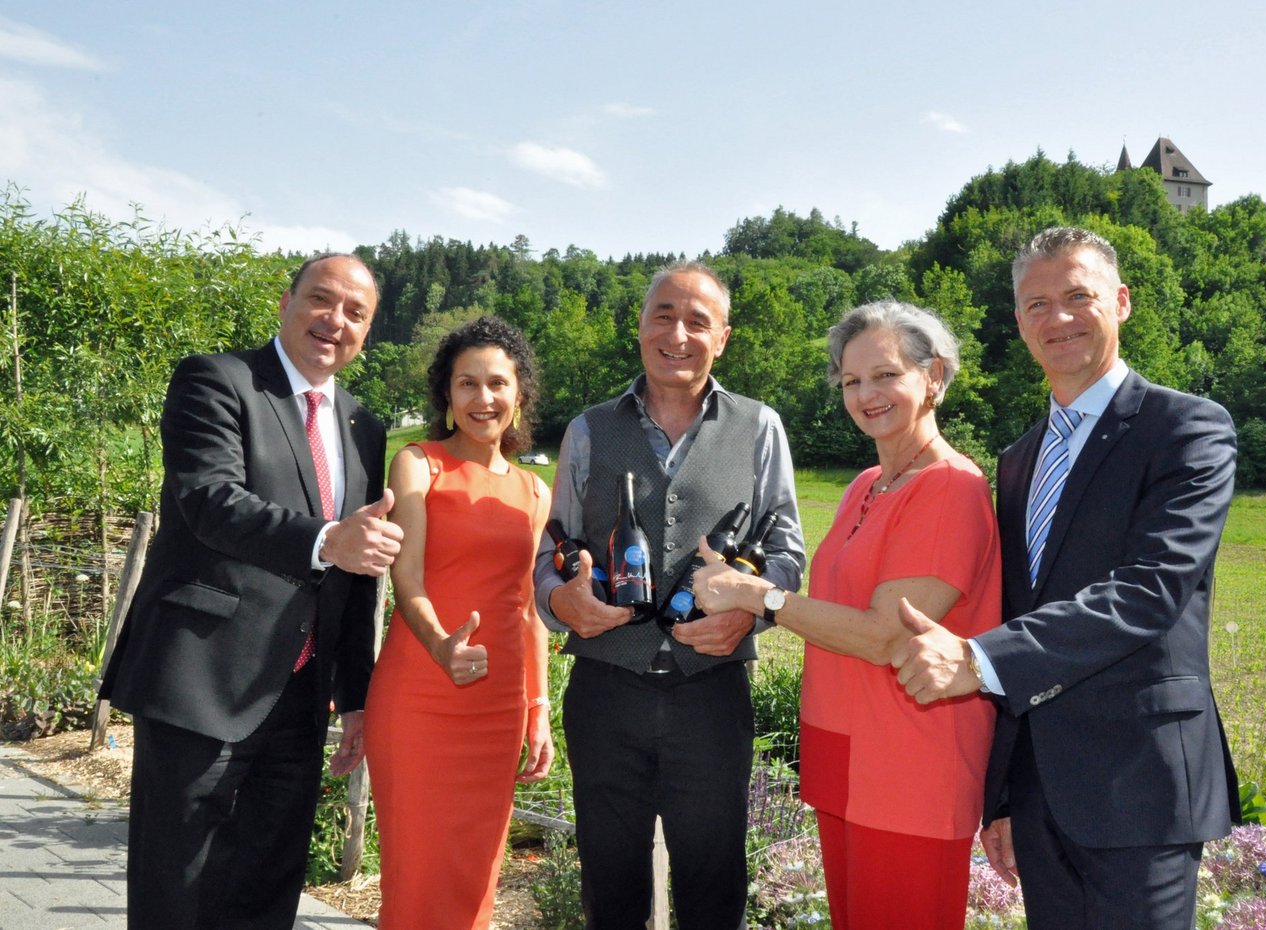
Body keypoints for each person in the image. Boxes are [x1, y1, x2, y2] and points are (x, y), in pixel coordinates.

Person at [891, 226, 1240, 930]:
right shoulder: (1018, 459)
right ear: (1019, 322)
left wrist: (977, 657)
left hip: (1142, 787)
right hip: (1044, 795)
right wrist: (1008, 795)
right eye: (1037, 304)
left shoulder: (1188, 430)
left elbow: (1151, 591)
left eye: (1078, 296)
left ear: (1122, 302)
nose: (1059, 318)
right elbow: (1021, 605)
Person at [99, 253, 404, 929]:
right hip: (199, 685)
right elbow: (211, 501)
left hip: (299, 702)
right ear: (285, 303)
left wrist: (355, 698)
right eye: (322, 300)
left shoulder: (364, 425)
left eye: (356, 313)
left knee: (267, 890)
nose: (336, 320)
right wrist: (327, 540)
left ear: (368, 332)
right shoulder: (217, 380)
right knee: (176, 892)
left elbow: (361, 565)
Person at [692, 300, 1000, 929]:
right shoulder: (867, 482)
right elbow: (840, 603)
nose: (866, 393)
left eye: (886, 375)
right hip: (847, 757)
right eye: (852, 380)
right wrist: (742, 575)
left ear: (934, 376)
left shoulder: (950, 488)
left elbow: (888, 635)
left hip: (909, 770)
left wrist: (759, 599)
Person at [533, 260, 805, 930]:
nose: (677, 333)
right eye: (664, 315)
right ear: (640, 325)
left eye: (697, 321)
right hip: (605, 690)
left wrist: (747, 618)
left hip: (711, 694)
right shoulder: (589, 430)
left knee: (714, 887)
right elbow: (551, 546)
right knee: (610, 881)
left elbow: (790, 554)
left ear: (724, 338)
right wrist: (559, 601)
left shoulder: (760, 426)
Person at [363, 315, 554, 929]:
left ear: (518, 393)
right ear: (446, 394)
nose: (483, 398)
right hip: (421, 694)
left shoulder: (533, 490)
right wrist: (442, 646)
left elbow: (528, 609)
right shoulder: (419, 464)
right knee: (417, 876)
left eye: (497, 383)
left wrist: (539, 707)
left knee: (476, 876)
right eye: (466, 383)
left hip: (497, 706)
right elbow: (407, 578)